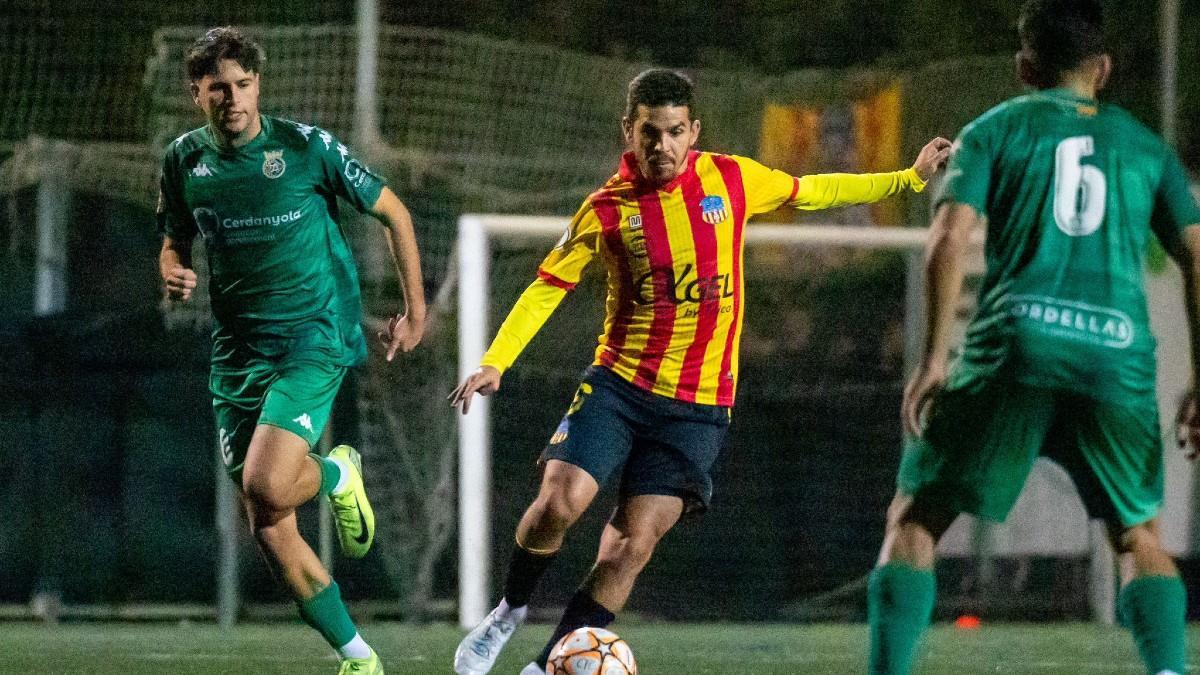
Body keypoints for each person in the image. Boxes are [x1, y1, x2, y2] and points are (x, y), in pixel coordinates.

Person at [449, 67, 950, 675]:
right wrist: (496, 360)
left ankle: (548, 665)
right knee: (560, 502)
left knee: (632, 544)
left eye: (675, 132)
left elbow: (814, 190)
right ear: (629, 132)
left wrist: (907, 177)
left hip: (698, 406)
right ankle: (508, 611)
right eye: (650, 132)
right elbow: (548, 286)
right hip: (619, 386)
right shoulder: (606, 209)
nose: (662, 145)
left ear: (694, 132)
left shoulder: (732, 180)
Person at [867, 2, 1200, 674]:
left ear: (1025, 67)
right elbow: (1196, 256)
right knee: (1138, 533)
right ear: (1103, 69)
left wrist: (934, 358)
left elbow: (948, 238)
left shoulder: (993, 131)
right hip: (1114, 358)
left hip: (1013, 347)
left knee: (918, 517)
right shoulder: (1146, 148)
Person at [156, 27, 426, 675]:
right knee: (268, 520)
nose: (232, 99)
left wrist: (415, 312)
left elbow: (395, 212)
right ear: (196, 93)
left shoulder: (305, 148)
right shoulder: (182, 160)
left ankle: (334, 473)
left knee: (267, 482)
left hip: (312, 336)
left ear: (258, 86)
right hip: (236, 353)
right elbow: (174, 239)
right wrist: (171, 269)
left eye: (243, 85)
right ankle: (358, 658)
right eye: (217, 88)